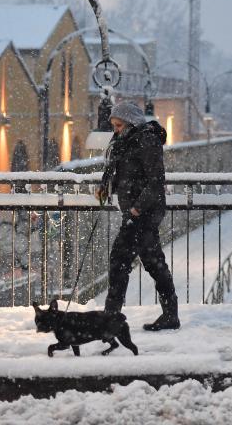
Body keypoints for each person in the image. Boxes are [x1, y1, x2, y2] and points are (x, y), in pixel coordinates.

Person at [96, 100, 180, 331]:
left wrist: (137, 208)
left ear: (131, 122)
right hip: (136, 212)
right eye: (113, 125)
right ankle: (170, 314)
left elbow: (155, 181)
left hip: (144, 212)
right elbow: (123, 171)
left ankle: (111, 317)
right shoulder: (126, 140)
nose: (116, 129)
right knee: (152, 263)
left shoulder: (147, 140)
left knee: (121, 261)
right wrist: (106, 186)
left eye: (119, 125)